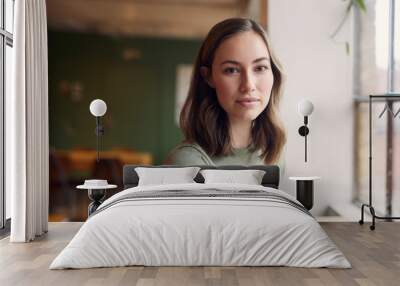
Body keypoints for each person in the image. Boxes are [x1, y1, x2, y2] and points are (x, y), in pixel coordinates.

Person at [165, 18, 286, 172]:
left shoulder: (281, 154)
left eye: (260, 68)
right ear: (208, 77)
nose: (248, 85)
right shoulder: (187, 163)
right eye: (231, 70)